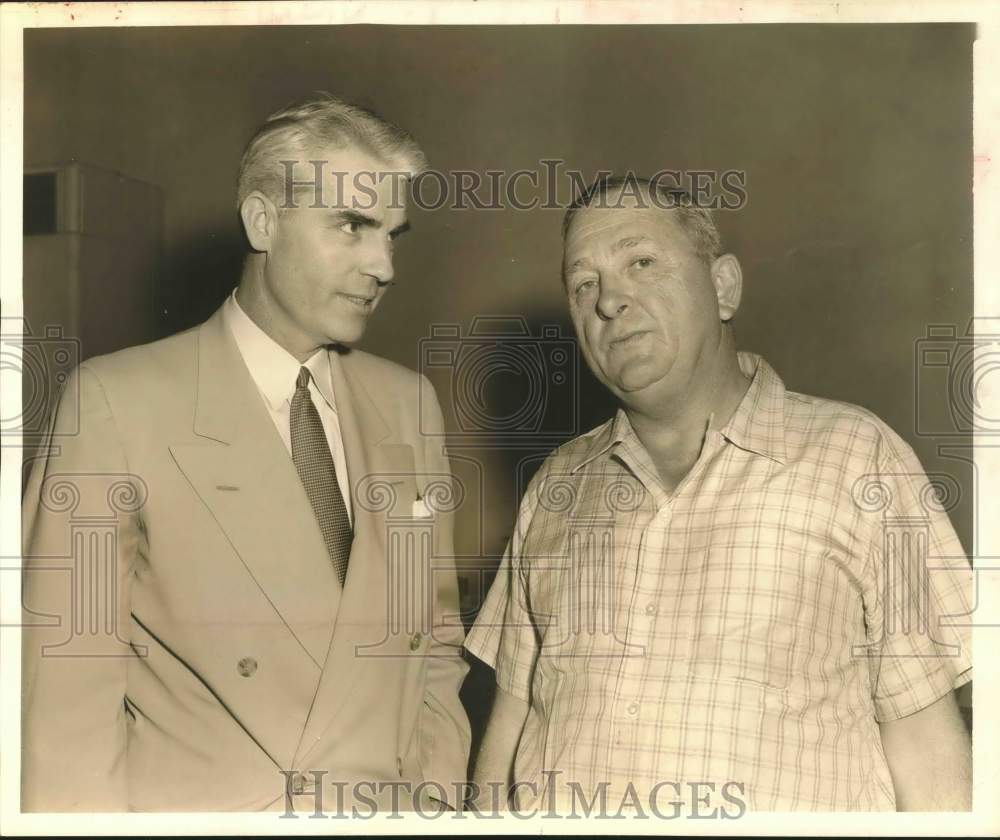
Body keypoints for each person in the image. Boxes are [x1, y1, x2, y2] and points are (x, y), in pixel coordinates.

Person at [464, 175, 973, 812]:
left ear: (724, 286)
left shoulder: (856, 458)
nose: (609, 300)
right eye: (583, 283)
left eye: (641, 262)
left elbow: (926, 739)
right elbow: (510, 724)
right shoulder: (557, 486)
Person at [21, 93, 470, 812]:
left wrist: (436, 801)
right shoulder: (116, 401)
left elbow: (433, 645)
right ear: (263, 221)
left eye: (393, 234)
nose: (382, 265)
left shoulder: (408, 405)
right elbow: (63, 693)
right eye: (351, 226)